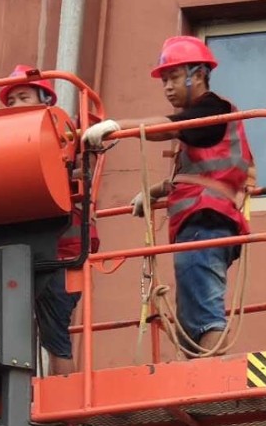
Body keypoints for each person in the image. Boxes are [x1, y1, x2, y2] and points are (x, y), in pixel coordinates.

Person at [81, 37, 254, 356]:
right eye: (165, 81)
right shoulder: (204, 127)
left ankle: (212, 379)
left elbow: (165, 127)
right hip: (206, 222)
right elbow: (197, 174)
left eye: (174, 77)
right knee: (193, 319)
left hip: (206, 221)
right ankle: (202, 377)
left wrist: (119, 127)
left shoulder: (211, 110)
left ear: (199, 74)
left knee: (203, 318)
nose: (168, 87)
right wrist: (153, 191)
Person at [0, 64, 100, 374]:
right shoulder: (6, 145)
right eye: (11, 101)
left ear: (45, 101)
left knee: (55, 333)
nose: (16, 105)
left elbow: (83, 163)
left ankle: (65, 399)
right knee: (12, 329)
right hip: (32, 251)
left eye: (23, 97)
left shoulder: (63, 134)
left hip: (63, 251)